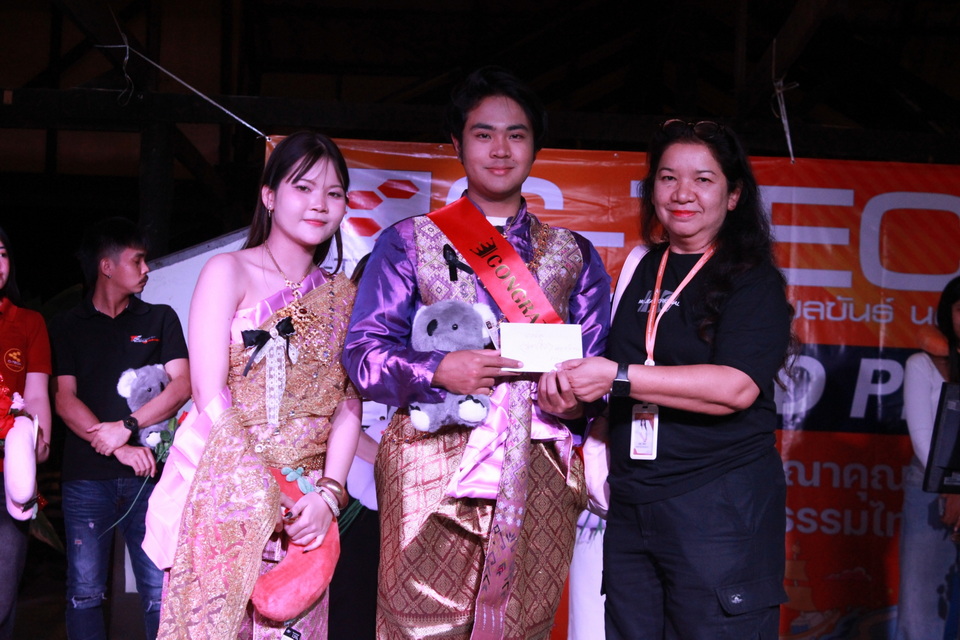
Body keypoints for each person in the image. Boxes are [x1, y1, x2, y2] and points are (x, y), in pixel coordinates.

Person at [343, 66, 611, 639]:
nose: (500, 149)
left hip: (539, 470)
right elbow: (364, 353)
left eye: (516, 134)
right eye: (483, 133)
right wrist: (437, 368)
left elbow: (598, 367)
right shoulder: (408, 242)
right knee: (415, 625)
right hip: (430, 469)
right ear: (457, 143)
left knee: (522, 626)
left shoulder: (574, 254)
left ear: (536, 146)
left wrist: (577, 402)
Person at [559, 119, 794, 638]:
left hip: (716, 505)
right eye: (668, 178)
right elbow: (609, 377)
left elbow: (735, 388)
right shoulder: (642, 267)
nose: (683, 193)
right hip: (632, 502)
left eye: (703, 180)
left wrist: (618, 377)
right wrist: (574, 398)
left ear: (734, 195)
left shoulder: (752, 279)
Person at [150, 131, 362, 639]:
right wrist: (262, 488)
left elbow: (348, 404)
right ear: (269, 196)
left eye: (333, 193)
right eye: (303, 187)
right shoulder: (228, 271)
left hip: (304, 514)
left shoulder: (346, 296)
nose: (319, 203)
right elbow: (208, 393)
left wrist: (328, 496)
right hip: (226, 492)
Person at [49, 217, 191, 640]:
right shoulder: (68, 325)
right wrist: (117, 446)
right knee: (85, 594)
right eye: (138, 260)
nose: (146, 269)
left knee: (159, 593)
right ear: (107, 266)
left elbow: (183, 385)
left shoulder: (160, 318)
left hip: (150, 478)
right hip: (86, 480)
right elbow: (64, 399)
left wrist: (128, 426)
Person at [896, 275, 960, 640]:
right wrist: (952, 486)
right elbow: (923, 438)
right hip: (931, 488)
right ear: (948, 313)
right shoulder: (923, 363)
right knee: (922, 606)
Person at [0, 227, 52, 640]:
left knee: (2, 595)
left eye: (1, 253)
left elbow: (35, 396)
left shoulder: (28, 322)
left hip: (8, 471)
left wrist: (37, 440)